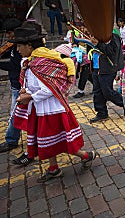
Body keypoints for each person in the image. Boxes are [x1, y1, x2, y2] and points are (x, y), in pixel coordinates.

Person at [10, 22, 98, 182]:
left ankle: (87, 155)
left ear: (29, 45)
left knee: (61, 141)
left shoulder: (42, 62)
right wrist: (26, 90)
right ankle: (54, 168)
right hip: (41, 109)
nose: (17, 50)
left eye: (19, 46)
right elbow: (35, 85)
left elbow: (51, 88)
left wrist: (28, 97)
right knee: (47, 142)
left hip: (52, 110)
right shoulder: (32, 61)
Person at [89, 31, 125, 123]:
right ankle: (102, 113)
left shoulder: (113, 36)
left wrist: (98, 44)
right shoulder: (95, 35)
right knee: (97, 92)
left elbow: (112, 51)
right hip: (96, 68)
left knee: (107, 92)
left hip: (108, 69)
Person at [0, 18, 23, 153]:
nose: (7, 37)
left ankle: (11, 140)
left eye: (9, 33)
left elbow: (14, 66)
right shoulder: (14, 47)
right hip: (16, 84)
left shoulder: (21, 47)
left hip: (21, 86)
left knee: (15, 114)